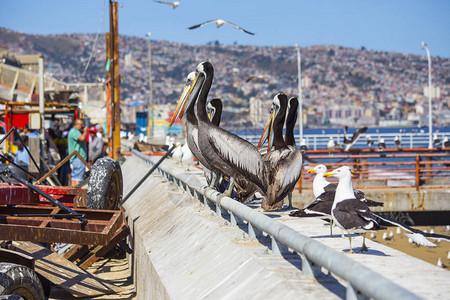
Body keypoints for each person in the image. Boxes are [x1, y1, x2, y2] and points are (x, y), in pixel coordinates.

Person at [68, 119, 88, 186]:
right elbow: (82, 138)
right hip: (78, 159)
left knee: (75, 178)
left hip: (78, 159)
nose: (83, 126)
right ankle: (76, 194)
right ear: (76, 125)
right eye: (81, 124)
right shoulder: (74, 131)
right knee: (78, 180)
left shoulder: (76, 131)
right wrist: (85, 132)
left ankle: (74, 194)